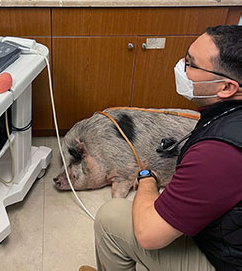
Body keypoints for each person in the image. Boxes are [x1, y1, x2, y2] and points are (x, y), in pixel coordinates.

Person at [79, 25, 242, 271]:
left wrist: (146, 179)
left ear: (227, 88)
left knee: (111, 218)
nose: (181, 68)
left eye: (191, 64)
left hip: (228, 261)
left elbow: (148, 234)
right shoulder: (228, 120)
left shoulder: (219, 153)